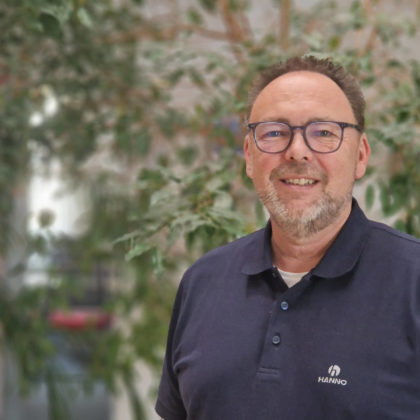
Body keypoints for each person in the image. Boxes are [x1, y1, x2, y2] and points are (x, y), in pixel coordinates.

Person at [155, 56, 420, 420]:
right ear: (249, 156)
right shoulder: (202, 281)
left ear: (360, 156)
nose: (297, 150)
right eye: (275, 132)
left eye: (324, 132)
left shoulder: (413, 281)